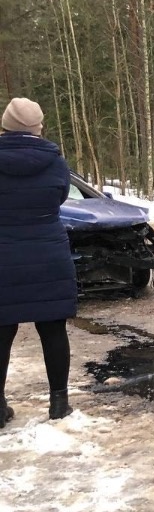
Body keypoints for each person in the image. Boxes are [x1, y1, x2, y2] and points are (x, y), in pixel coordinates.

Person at [0, 97, 77, 428]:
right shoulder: (56, 162)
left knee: (2, 332)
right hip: (49, 253)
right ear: (36, 128)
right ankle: (59, 403)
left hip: (4, 254)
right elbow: (60, 197)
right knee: (53, 329)